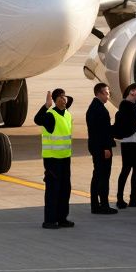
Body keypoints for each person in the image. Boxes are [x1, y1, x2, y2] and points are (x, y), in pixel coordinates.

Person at [34, 88, 75, 229]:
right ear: (55, 101)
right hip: (52, 160)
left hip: (65, 158)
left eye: (65, 97)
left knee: (65, 189)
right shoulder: (51, 115)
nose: (64, 99)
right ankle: (50, 220)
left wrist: (63, 99)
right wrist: (46, 106)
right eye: (61, 97)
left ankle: (62, 218)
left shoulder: (67, 115)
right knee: (53, 190)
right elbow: (37, 119)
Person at [85, 82, 117, 214]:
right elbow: (100, 132)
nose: (109, 95)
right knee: (103, 176)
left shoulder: (95, 107)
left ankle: (95, 205)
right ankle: (103, 205)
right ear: (99, 93)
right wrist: (106, 148)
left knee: (97, 176)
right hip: (101, 147)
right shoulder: (98, 109)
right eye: (107, 92)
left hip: (96, 146)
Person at [114, 83, 136, 208]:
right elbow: (134, 121)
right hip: (129, 141)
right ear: (130, 92)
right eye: (134, 92)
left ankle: (133, 198)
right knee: (126, 169)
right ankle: (120, 198)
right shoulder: (125, 105)